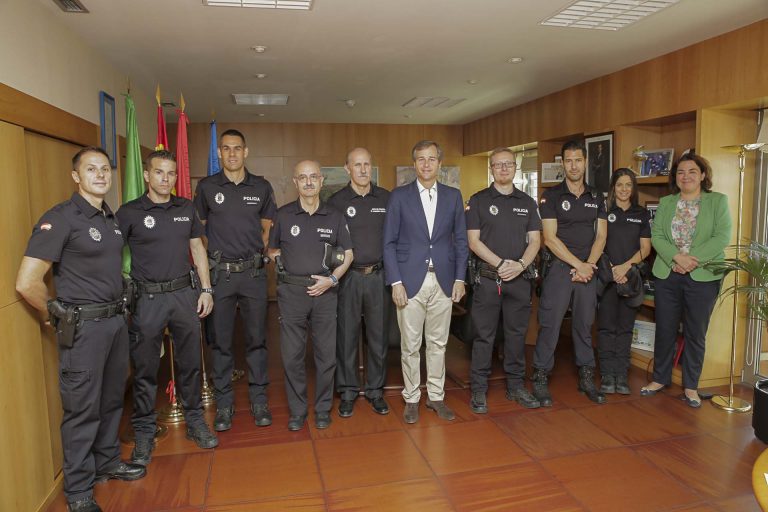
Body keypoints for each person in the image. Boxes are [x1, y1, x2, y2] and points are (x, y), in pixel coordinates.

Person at [16, 147, 145, 512]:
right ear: (76, 176)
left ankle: (106, 462)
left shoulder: (110, 218)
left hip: (116, 323)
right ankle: (78, 491)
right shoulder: (60, 219)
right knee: (81, 409)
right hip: (84, 329)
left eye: (105, 169)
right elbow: (27, 283)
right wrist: (58, 314)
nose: (101, 175)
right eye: (91, 169)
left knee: (111, 399)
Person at [117, 150, 218, 467]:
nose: (166, 178)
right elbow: (108, 252)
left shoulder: (185, 208)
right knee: (145, 370)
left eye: (171, 173)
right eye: (159, 172)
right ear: (146, 175)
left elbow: (197, 250)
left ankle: (195, 422)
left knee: (191, 363)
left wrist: (206, 289)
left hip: (182, 296)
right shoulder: (129, 212)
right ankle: (145, 432)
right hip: (146, 299)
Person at [193, 129, 277, 431]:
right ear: (219, 153)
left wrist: (260, 254)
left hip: (253, 275)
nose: (232, 154)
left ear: (246, 151)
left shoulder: (262, 186)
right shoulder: (206, 187)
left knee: (257, 341)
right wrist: (210, 265)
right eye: (226, 149)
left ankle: (259, 400)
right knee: (221, 344)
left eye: (237, 148)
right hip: (221, 276)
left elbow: (267, 229)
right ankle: (225, 406)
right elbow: (197, 232)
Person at [383, 140, 469, 424]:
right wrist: (395, 282)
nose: (427, 164)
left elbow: (460, 240)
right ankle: (411, 398)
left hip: (444, 280)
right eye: (421, 159)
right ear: (414, 163)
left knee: (438, 343)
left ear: (439, 164)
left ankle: (436, 396)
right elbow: (389, 243)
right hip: (408, 281)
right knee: (410, 344)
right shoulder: (399, 197)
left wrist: (460, 278)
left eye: (431, 159)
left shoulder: (453, 196)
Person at [268, 160, 353, 430]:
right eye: (302, 177)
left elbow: (348, 254)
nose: (308, 182)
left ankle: (324, 409)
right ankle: (297, 411)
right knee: (292, 356)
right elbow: (271, 251)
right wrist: (279, 260)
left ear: (321, 180)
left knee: (326, 356)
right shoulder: (282, 216)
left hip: (326, 293)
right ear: (295, 182)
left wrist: (331, 279)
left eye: (313, 177)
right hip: (292, 293)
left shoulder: (336, 216)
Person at [641, 153, 731, 407]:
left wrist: (693, 260)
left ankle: (691, 386)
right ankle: (660, 378)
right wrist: (677, 259)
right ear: (675, 177)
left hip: (703, 276)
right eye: (681, 172)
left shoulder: (718, 202)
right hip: (668, 274)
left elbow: (722, 237)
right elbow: (657, 236)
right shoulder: (667, 202)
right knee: (666, 328)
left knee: (695, 332)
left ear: (703, 175)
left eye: (692, 171)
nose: (686, 176)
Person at [466, 148, 542, 413]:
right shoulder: (478, 200)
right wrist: (500, 264)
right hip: (488, 279)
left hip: (520, 280)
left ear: (515, 168)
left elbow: (535, 241)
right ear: (491, 168)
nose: (503, 169)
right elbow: (473, 241)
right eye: (498, 165)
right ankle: (478, 389)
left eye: (508, 164)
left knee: (516, 335)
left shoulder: (527, 202)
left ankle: (516, 386)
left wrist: (520, 265)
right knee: (484, 337)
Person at [533, 140, 608, 406]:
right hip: (560, 270)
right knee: (550, 325)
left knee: (584, 326)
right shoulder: (551, 196)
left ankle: (587, 378)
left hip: (588, 269)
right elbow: (550, 239)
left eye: (578, 160)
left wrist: (588, 266)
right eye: (568, 160)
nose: (574, 165)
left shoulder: (597, 197)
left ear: (585, 162)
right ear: (562, 164)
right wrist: (578, 265)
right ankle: (540, 378)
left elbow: (601, 237)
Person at [327, 148, 392, 417]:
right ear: (347, 168)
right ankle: (348, 391)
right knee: (347, 337)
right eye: (357, 165)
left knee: (378, 337)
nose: (363, 170)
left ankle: (376, 391)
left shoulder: (387, 198)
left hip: (379, 276)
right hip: (348, 278)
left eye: (367, 164)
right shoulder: (335, 201)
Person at [596, 168, 651, 395]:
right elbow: (598, 244)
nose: (624, 189)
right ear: (613, 188)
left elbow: (646, 248)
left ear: (633, 188)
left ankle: (621, 375)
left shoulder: (641, 214)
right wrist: (612, 270)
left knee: (625, 329)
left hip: (630, 279)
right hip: (608, 278)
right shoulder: (604, 211)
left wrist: (625, 267)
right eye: (620, 185)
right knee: (607, 329)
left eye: (628, 185)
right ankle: (608, 375)